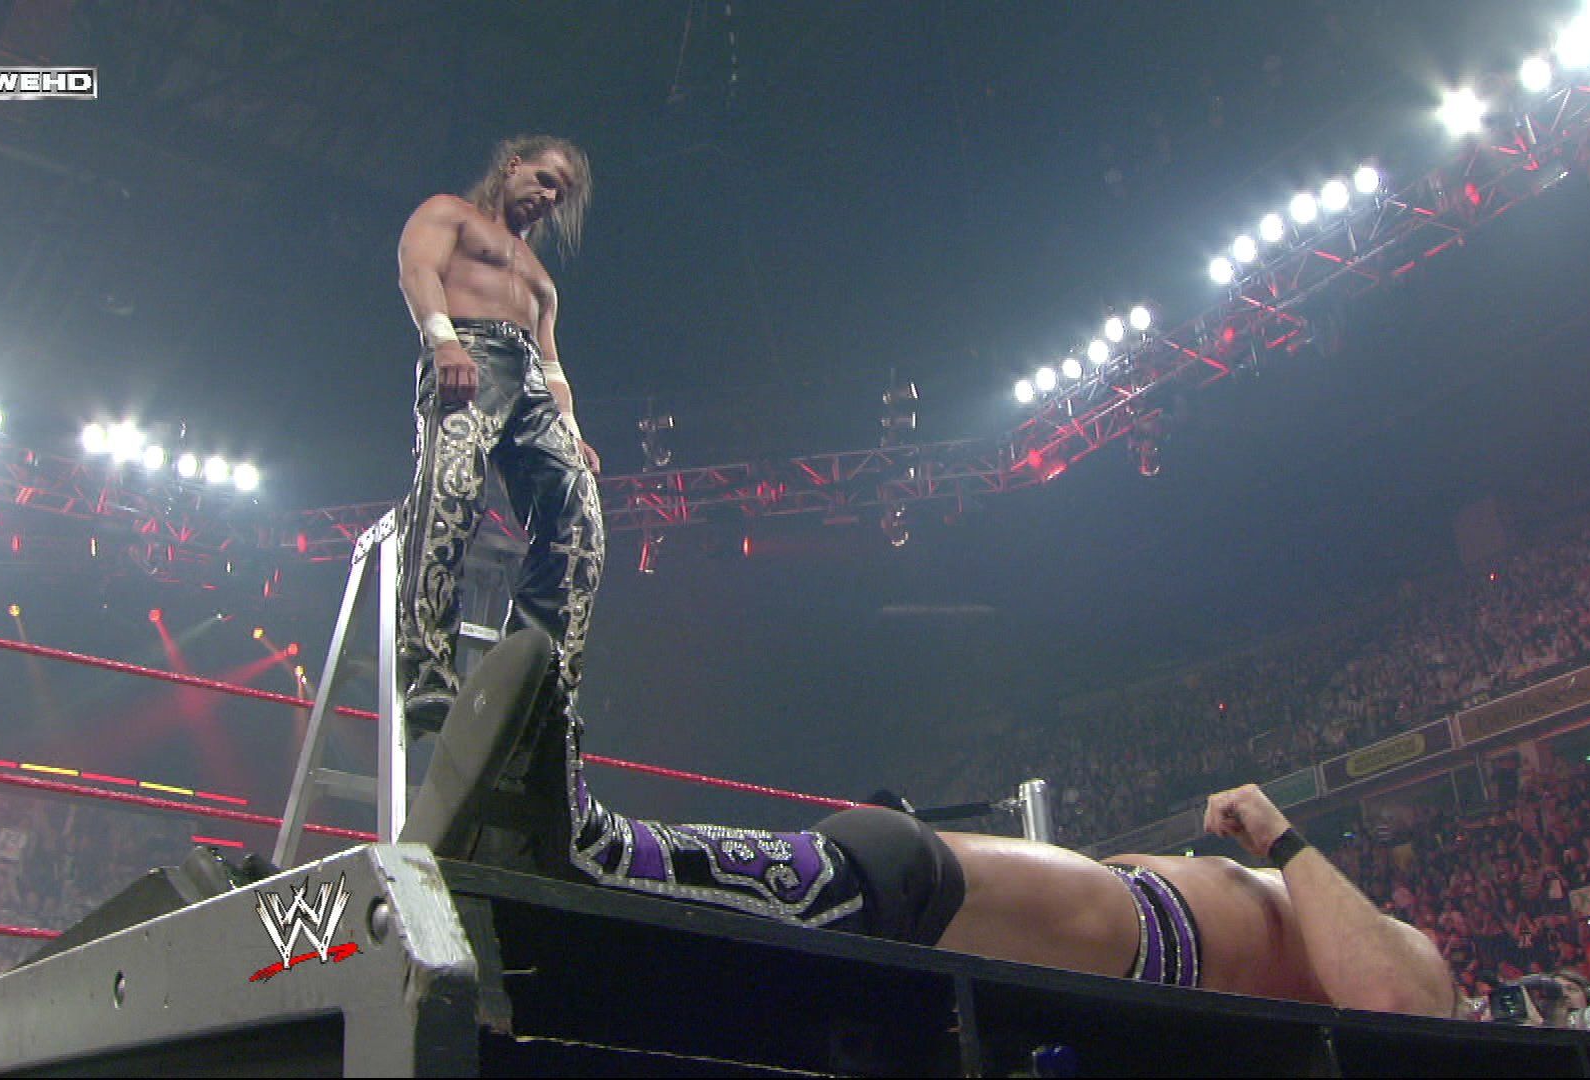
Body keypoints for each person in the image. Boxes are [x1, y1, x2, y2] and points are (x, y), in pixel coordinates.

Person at [450, 628, 1458, 1018]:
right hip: (1133, 951)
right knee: (880, 888)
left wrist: (1283, 839)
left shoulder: (1418, 966)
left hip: (1155, 952)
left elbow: (1397, 1004)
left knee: (896, 868)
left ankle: (590, 856)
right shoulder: (1338, 924)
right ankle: (577, 919)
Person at [394, 135, 605, 726]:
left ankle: (536, 688)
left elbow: (552, 363)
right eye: (544, 180)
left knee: (580, 523)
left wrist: (571, 429)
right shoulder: (450, 213)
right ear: (513, 166)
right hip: (471, 351)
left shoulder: (539, 275)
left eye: (560, 193)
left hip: (532, 381)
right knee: (451, 494)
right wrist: (444, 342)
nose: (549, 197)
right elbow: (418, 270)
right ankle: (429, 668)